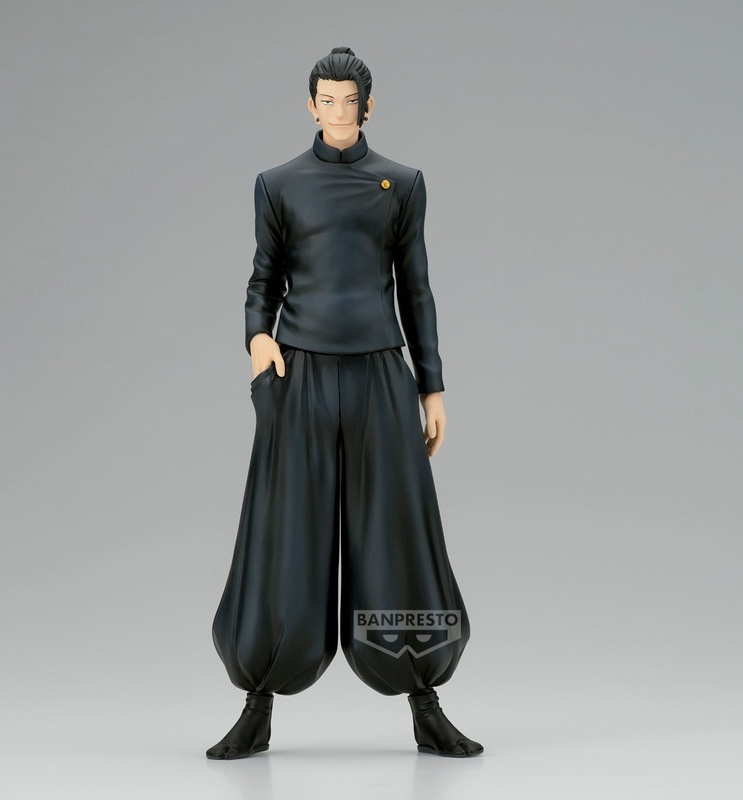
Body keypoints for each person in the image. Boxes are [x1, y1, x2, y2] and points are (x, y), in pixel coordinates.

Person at [206, 47, 483, 759]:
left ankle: (425, 704)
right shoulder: (277, 184)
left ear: (368, 106)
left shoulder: (403, 184)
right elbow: (263, 279)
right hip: (297, 373)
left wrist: (432, 385)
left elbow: (416, 289)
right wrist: (256, 339)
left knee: (397, 532)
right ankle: (257, 705)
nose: (337, 111)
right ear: (310, 105)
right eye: (325, 100)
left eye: (348, 100)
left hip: (380, 375)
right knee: (283, 533)